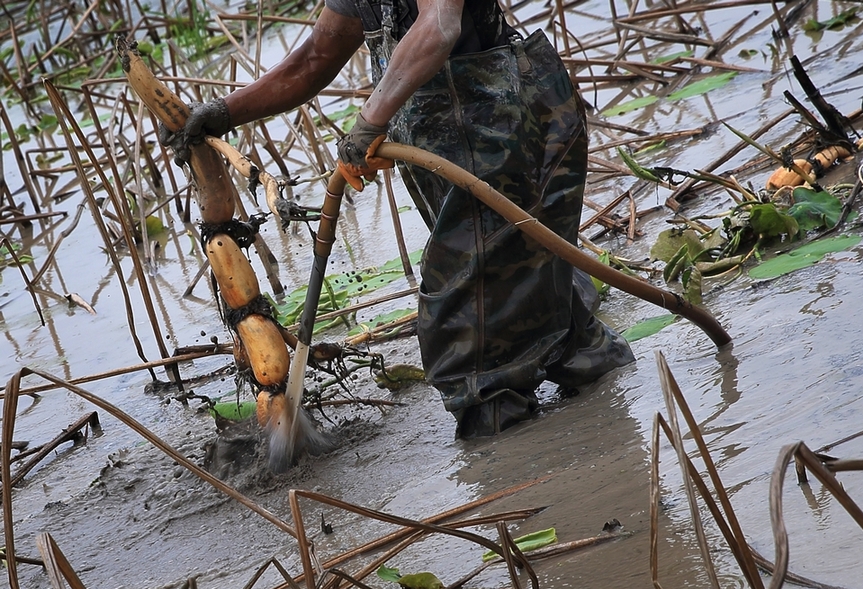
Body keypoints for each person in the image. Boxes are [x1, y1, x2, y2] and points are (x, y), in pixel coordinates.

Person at [162, 0, 635, 440]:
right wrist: (224, 113)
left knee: (470, 325)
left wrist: (370, 119)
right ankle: (602, 401)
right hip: (451, 139)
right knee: (527, 291)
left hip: (506, 125)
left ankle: (520, 467)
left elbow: (438, 27)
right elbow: (314, 57)